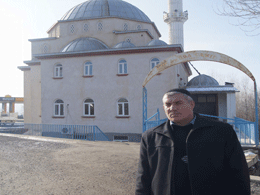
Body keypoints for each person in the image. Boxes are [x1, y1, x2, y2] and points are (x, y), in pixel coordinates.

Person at [135, 88, 250, 195]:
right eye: (168, 104)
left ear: (191, 104)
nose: (172, 108)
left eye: (178, 103)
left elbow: (239, 172)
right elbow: (143, 178)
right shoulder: (151, 136)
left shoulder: (222, 132)